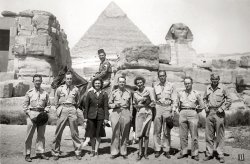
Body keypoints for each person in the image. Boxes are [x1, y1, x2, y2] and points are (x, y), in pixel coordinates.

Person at [51, 71, 82, 160]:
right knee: (58, 132)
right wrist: (58, 110)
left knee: (74, 133)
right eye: (67, 78)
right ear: (65, 79)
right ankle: (56, 152)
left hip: (72, 109)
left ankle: (78, 152)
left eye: (70, 79)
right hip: (63, 109)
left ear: (72, 79)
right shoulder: (60, 89)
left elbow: (78, 101)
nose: (69, 80)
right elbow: (56, 102)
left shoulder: (75, 89)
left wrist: (74, 109)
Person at [174, 77, 205, 161]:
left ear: (192, 83)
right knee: (183, 135)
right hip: (183, 113)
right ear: (184, 84)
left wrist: (196, 111)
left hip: (193, 113)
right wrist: (178, 111)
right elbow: (176, 104)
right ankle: (183, 152)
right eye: (186, 83)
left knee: (194, 135)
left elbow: (202, 105)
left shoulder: (196, 93)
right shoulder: (180, 93)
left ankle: (195, 153)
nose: (187, 85)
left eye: (189, 83)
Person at [203, 74, 232, 163]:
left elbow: (229, 100)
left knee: (220, 134)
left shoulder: (223, 88)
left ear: (219, 79)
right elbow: (204, 99)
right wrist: (206, 106)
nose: (214, 80)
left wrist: (222, 108)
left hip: (219, 113)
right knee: (209, 135)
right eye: (213, 79)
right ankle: (209, 154)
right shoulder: (207, 88)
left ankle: (220, 154)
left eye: (216, 79)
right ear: (210, 79)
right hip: (209, 113)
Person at [23, 74, 50, 162]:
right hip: (32, 115)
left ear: (41, 81)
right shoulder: (29, 92)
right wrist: (30, 114)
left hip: (42, 115)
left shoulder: (45, 93)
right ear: (33, 82)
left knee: (41, 136)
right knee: (29, 136)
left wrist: (45, 112)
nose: (38, 82)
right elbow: (25, 106)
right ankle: (27, 154)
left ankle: (41, 152)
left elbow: (48, 105)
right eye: (36, 80)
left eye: (39, 80)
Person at [83, 78, 109, 157]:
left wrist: (106, 118)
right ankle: (93, 150)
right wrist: (85, 118)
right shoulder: (89, 93)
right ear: (93, 84)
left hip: (100, 116)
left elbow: (105, 106)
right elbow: (86, 106)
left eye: (99, 83)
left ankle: (97, 151)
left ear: (101, 84)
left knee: (98, 134)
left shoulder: (104, 94)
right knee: (91, 134)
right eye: (96, 83)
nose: (97, 84)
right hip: (91, 117)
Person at [152, 70, 176, 158]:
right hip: (158, 108)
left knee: (166, 131)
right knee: (157, 130)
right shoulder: (155, 86)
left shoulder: (171, 85)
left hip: (167, 108)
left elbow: (174, 99)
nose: (162, 77)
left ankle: (166, 150)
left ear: (166, 76)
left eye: (163, 76)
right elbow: (153, 99)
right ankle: (157, 149)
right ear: (158, 77)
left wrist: (173, 110)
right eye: (160, 76)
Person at [108, 76, 132, 159]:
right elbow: (109, 104)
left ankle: (123, 152)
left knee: (125, 133)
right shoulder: (114, 92)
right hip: (116, 112)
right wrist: (115, 105)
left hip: (125, 112)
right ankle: (114, 152)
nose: (122, 83)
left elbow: (131, 105)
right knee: (115, 133)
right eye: (120, 82)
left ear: (125, 83)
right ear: (118, 83)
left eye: (123, 82)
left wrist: (130, 114)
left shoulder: (128, 93)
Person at [133, 76, 155, 161]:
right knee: (139, 134)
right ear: (136, 84)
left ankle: (145, 153)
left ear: (143, 82)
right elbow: (134, 104)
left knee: (146, 134)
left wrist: (147, 104)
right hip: (139, 114)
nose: (139, 84)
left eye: (141, 82)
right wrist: (139, 105)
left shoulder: (149, 90)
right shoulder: (135, 93)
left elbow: (153, 102)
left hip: (148, 113)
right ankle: (140, 152)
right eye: (138, 83)